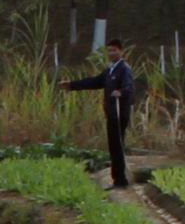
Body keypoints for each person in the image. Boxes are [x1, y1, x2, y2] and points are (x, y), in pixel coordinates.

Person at [60, 39, 140, 188]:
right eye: (109, 50)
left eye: (114, 50)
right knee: (113, 145)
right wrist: (72, 85)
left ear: (121, 51)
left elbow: (129, 88)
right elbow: (94, 82)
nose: (111, 53)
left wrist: (120, 92)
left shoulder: (124, 69)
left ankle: (121, 180)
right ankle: (117, 179)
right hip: (111, 113)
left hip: (119, 113)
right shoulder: (110, 70)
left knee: (117, 145)